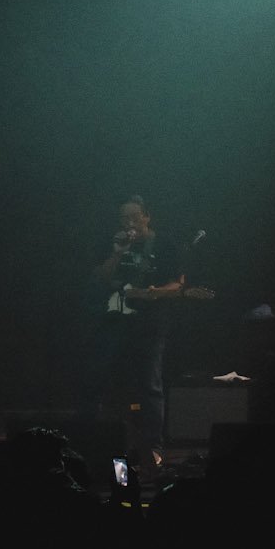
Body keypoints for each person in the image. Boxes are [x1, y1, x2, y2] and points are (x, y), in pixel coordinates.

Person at [85, 195, 184, 467]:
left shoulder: (164, 244)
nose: (129, 223)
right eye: (124, 218)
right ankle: (105, 442)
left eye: (134, 217)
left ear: (147, 216)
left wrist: (156, 292)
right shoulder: (114, 242)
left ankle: (153, 447)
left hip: (151, 323)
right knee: (103, 378)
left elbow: (178, 284)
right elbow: (99, 278)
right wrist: (118, 252)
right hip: (114, 321)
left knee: (149, 383)